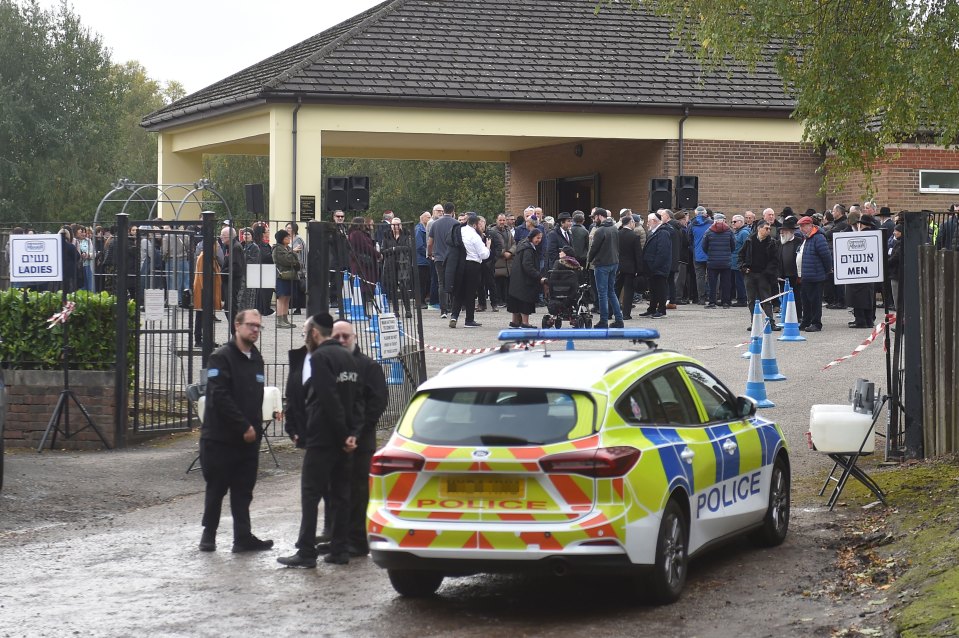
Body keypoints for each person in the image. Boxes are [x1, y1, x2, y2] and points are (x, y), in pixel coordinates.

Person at [277, 313, 363, 568]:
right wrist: (352, 435)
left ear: (315, 333)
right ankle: (339, 550)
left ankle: (305, 551)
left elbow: (327, 399)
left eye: (306, 333)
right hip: (344, 439)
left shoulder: (320, 357)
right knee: (340, 494)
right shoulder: (348, 357)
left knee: (311, 493)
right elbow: (358, 402)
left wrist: (341, 434)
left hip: (323, 437)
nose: (305, 338)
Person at [198, 309, 273, 553]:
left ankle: (242, 537)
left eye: (258, 326)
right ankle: (208, 535)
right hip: (220, 437)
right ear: (237, 327)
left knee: (244, 490)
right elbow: (219, 395)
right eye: (250, 325)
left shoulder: (256, 358)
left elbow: (256, 395)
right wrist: (243, 425)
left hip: (249, 438)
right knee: (217, 487)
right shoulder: (221, 357)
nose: (255, 330)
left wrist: (255, 428)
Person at [330, 319, 387, 557]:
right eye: (337, 337)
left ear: (354, 337)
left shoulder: (368, 366)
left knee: (358, 491)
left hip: (361, 442)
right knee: (336, 491)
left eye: (346, 336)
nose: (342, 341)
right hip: (335, 440)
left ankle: (358, 539)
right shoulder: (329, 364)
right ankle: (339, 538)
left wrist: (358, 432)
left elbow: (378, 402)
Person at [449, 214, 490, 328]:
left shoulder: (460, 231)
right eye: (479, 224)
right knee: (470, 293)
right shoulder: (475, 236)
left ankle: (454, 316)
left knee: (459, 291)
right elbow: (484, 254)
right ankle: (469, 320)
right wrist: (488, 246)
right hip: (473, 265)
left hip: (461, 264)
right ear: (475, 224)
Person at [586, 208, 625, 328]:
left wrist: (589, 261)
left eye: (594, 217)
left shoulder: (600, 230)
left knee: (602, 293)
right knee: (611, 292)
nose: (593, 220)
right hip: (614, 263)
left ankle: (603, 321)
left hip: (602, 264)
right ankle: (619, 319)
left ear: (599, 216)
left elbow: (594, 248)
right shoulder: (614, 228)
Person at [739, 220, 781, 330]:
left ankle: (770, 323)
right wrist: (744, 267)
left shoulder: (771, 242)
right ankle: (754, 323)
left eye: (769, 229)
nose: (768, 231)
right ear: (759, 228)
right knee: (751, 300)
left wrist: (767, 272)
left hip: (764, 275)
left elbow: (775, 260)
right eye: (766, 228)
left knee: (766, 300)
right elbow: (741, 255)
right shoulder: (749, 240)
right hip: (750, 274)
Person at [796, 215, 833, 332]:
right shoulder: (806, 238)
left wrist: (828, 270)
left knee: (815, 301)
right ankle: (806, 321)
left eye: (803, 226)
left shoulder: (818, 238)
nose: (801, 229)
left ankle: (816, 323)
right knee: (806, 301)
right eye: (800, 226)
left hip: (816, 276)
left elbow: (826, 256)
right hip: (806, 275)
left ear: (810, 226)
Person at [843, 211, 877, 328]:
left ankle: (860, 320)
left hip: (858, 271)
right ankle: (869, 320)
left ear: (861, 225)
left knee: (858, 297)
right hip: (870, 271)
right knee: (868, 297)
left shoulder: (861, 235)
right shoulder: (875, 235)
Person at [507, 228, 544, 329]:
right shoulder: (528, 248)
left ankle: (514, 322)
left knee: (516, 300)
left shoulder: (522, 245)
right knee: (525, 301)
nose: (539, 240)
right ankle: (525, 323)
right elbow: (527, 265)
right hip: (524, 280)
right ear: (532, 237)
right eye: (537, 238)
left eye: (540, 238)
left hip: (517, 278)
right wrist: (538, 275)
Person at [427, 202, 458, 318]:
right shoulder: (457, 224)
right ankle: (453, 307)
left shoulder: (435, 224)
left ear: (443, 210)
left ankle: (443, 310)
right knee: (453, 282)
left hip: (439, 257)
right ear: (453, 211)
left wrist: (430, 254)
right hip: (452, 257)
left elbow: (430, 243)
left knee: (441, 282)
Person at [701, 213, 735, 308]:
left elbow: (704, 246)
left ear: (714, 220)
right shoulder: (729, 231)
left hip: (712, 261)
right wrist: (727, 253)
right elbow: (733, 246)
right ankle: (726, 302)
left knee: (712, 284)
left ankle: (712, 302)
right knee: (726, 283)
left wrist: (710, 253)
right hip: (726, 262)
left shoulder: (709, 231)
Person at [381, 218, 413, 317]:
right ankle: (396, 310)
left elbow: (408, 248)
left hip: (403, 264)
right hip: (390, 264)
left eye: (398, 225)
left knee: (404, 287)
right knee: (393, 288)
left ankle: (408, 310)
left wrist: (394, 249)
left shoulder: (406, 235)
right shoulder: (386, 236)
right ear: (391, 226)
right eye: (394, 225)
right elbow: (383, 250)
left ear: (401, 225)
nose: (396, 227)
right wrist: (393, 249)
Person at [641, 212, 672, 318]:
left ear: (654, 221)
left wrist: (655, 266)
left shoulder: (663, 233)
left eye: (648, 221)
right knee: (653, 290)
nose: (647, 224)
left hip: (659, 268)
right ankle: (652, 309)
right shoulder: (654, 232)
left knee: (660, 289)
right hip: (652, 268)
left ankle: (662, 310)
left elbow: (662, 252)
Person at [192, 243, 223, 347]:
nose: (218, 247)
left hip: (207, 291)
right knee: (201, 315)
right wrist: (206, 292)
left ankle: (207, 339)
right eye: (217, 246)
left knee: (206, 316)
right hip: (203, 291)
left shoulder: (210, 256)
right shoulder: (204, 256)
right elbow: (201, 275)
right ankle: (199, 340)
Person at [616, 213, 643, 319]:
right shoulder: (634, 237)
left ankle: (609, 312)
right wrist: (640, 270)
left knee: (616, 289)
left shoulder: (617, 234)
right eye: (633, 222)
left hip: (618, 266)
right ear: (630, 223)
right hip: (630, 268)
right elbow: (638, 255)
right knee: (628, 291)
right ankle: (626, 314)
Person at [778, 216, 804, 323]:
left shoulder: (799, 241)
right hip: (782, 275)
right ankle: (786, 315)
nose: (782, 233)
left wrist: (800, 274)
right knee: (784, 296)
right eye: (781, 231)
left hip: (794, 275)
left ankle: (798, 315)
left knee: (796, 296)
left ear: (791, 231)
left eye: (784, 231)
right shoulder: (779, 243)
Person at [272, 229, 300, 328]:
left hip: (290, 276)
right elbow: (287, 260)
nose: (289, 238)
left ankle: (285, 319)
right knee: (281, 298)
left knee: (287, 298)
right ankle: (279, 320)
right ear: (281, 239)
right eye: (286, 237)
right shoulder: (277, 249)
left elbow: (296, 262)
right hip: (282, 276)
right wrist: (293, 252)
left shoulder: (287, 248)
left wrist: (292, 254)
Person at [286, 222, 306, 316]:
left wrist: (303, 268)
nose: (287, 229)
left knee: (297, 289)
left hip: (298, 268)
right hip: (288, 267)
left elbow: (302, 254)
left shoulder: (298, 239)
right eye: (287, 228)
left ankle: (297, 308)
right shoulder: (286, 239)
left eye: (289, 228)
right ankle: (287, 307)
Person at [414, 212, 431, 308]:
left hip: (424, 260)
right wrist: (428, 253)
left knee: (425, 282)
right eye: (428, 217)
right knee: (421, 282)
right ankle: (420, 302)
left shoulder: (423, 229)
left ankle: (422, 300)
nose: (430, 219)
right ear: (422, 218)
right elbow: (419, 246)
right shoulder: (419, 230)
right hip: (421, 261)